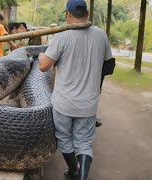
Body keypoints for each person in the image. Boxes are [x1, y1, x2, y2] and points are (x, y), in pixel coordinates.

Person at [38, 0, 113, 179]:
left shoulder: (62, 37)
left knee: (65, 139)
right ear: (86, 14)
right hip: (88, 104)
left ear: (68, 15)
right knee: (84, 142)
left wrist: (42, 54)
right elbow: (109, 65)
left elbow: (43, 67)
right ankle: (81, 176)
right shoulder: (101, 35)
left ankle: (73, 171)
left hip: (63, 103)